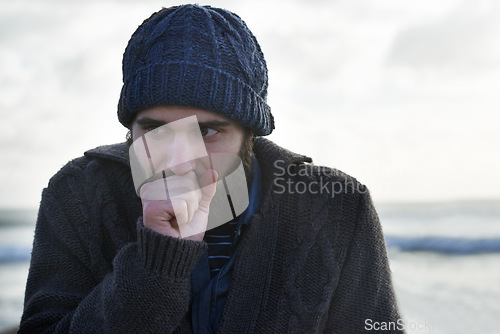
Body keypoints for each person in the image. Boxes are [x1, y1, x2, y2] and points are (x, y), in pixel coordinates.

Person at [19, 4, 404, 333]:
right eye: (155, 130)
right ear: (130, 129)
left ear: (248, 134)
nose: (180, 160)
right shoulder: (77, 194)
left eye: (206, 131)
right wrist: (156, 263)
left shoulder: (337, 206)